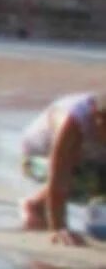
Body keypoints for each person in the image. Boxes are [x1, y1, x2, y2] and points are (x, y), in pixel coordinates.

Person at [18, 92, 106, 245]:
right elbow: (60, 174)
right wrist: (59, 227)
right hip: (38, 161)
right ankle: (37, 205)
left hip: (86, 161)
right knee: (90, 179)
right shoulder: (73, 121)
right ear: (97, 118)